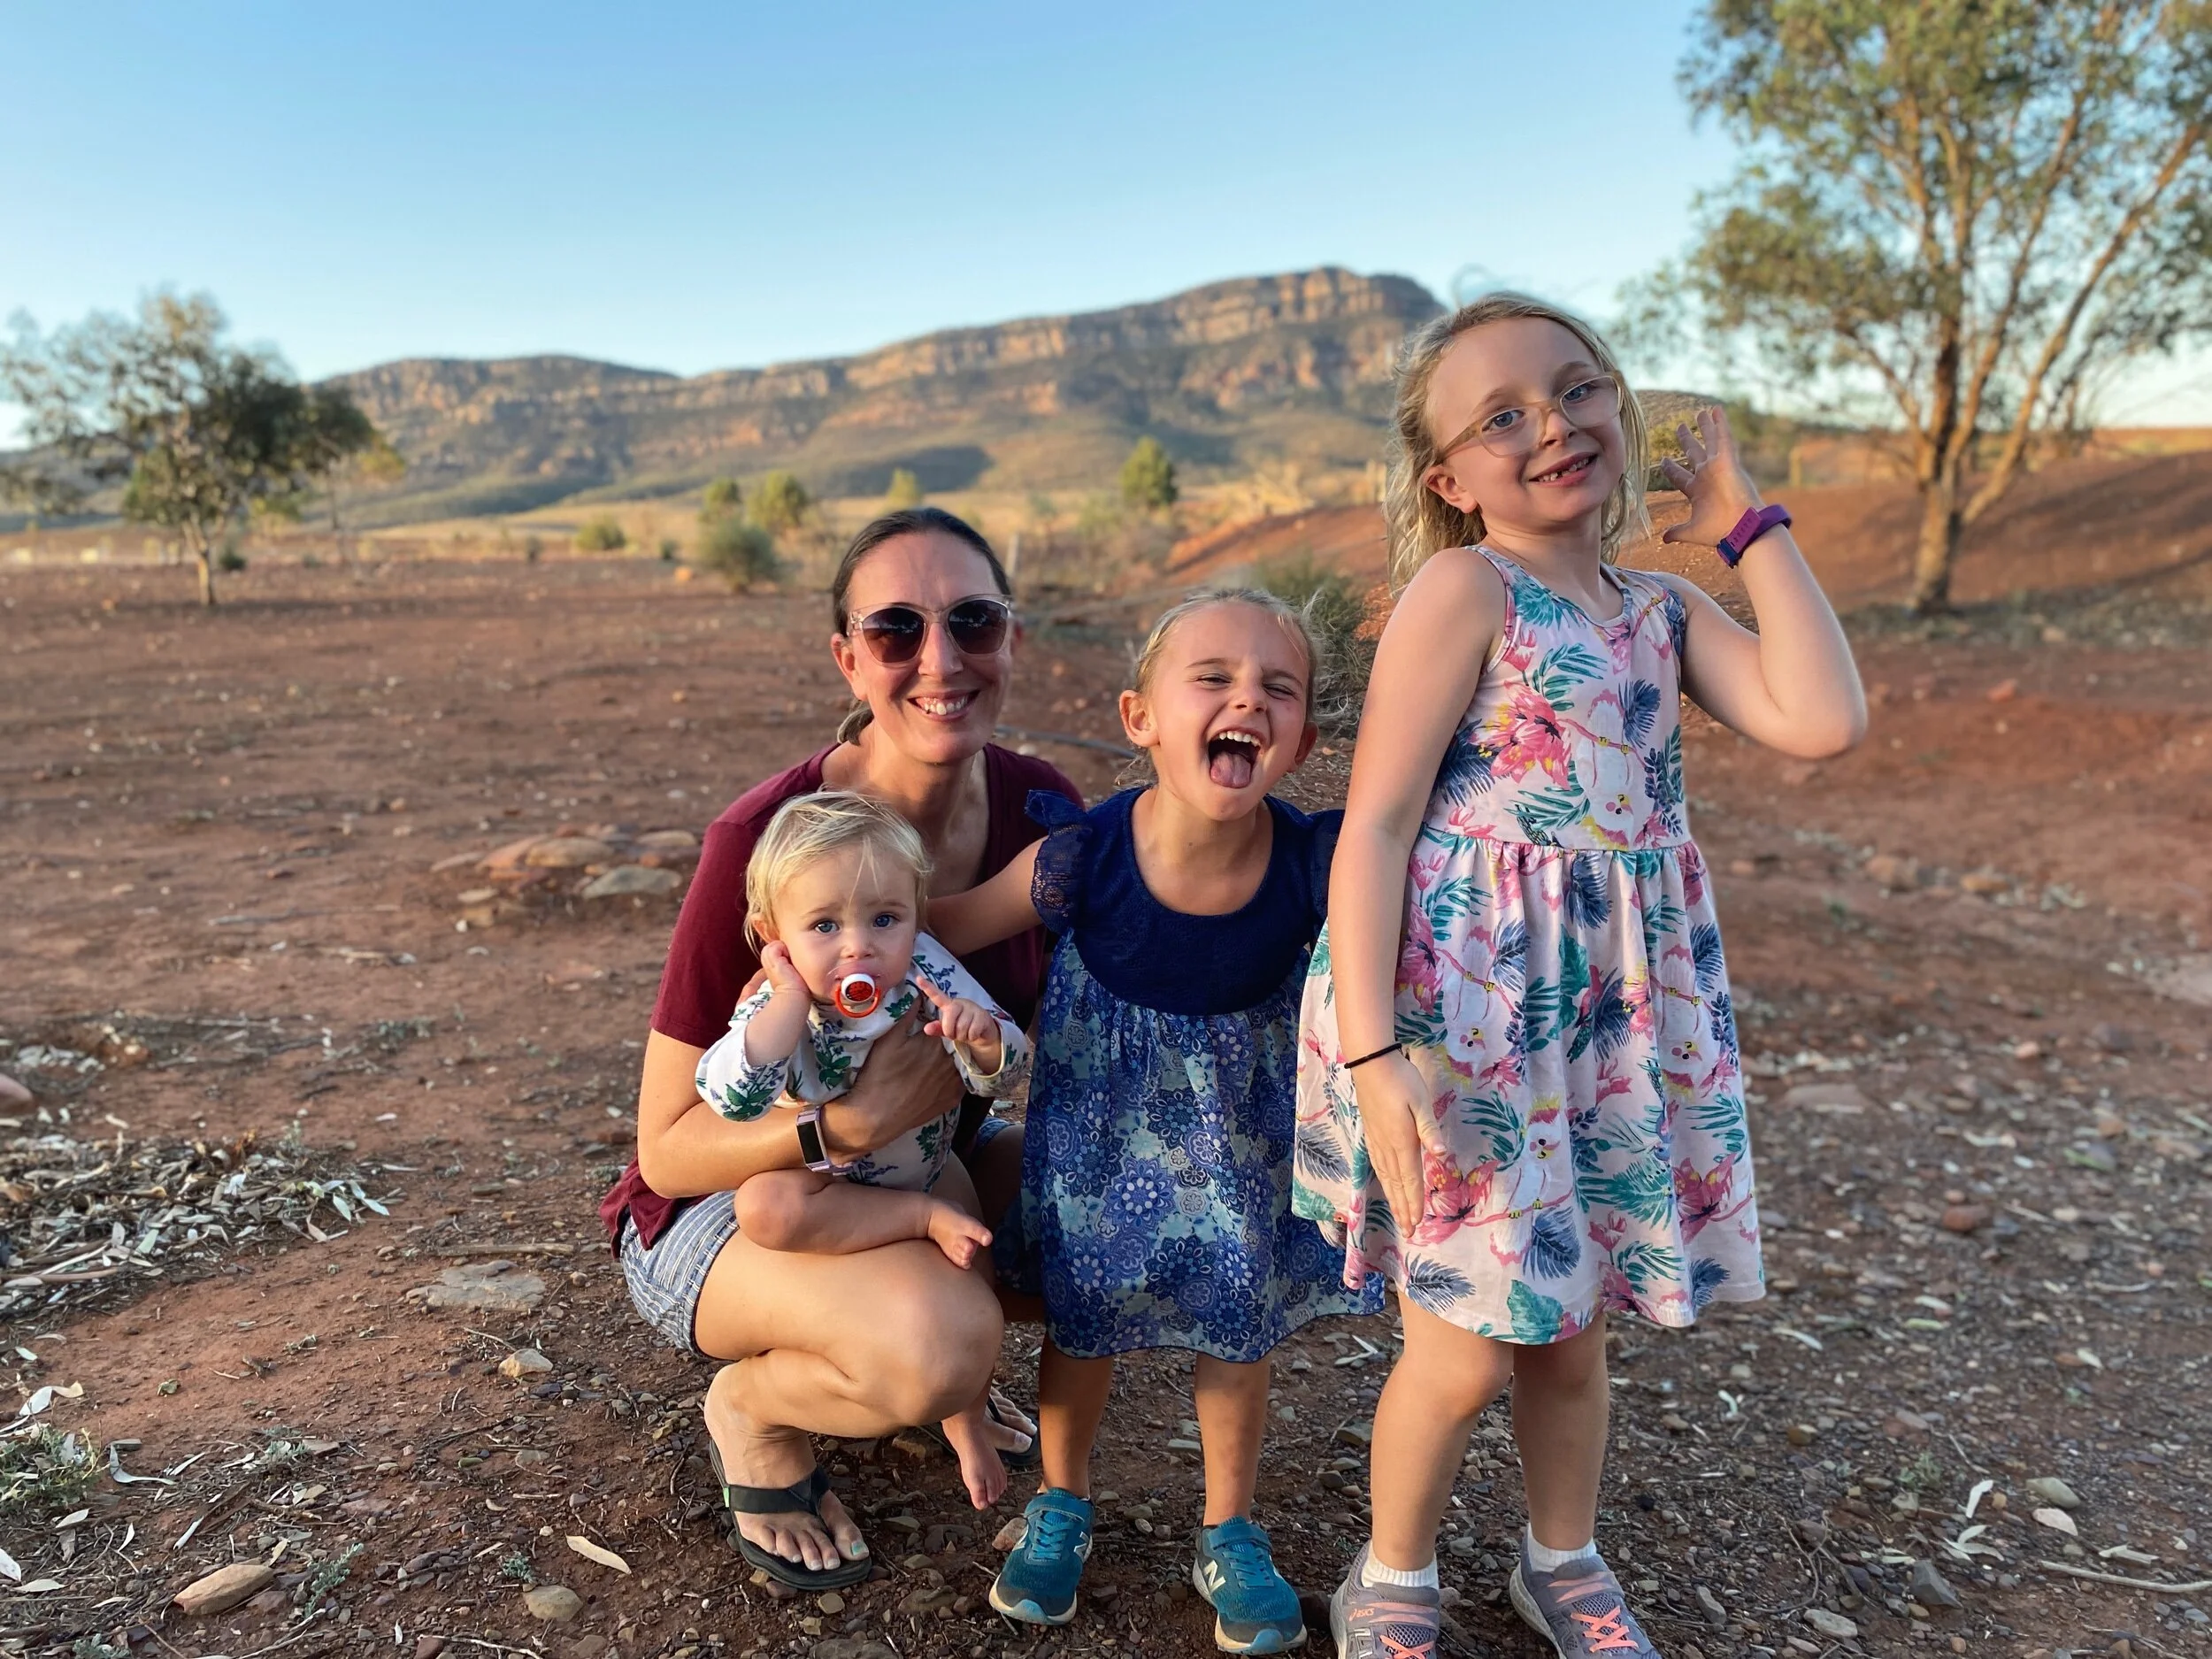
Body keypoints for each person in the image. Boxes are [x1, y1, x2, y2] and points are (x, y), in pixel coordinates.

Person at [1296, 294, 1866, 1658]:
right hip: (1467, 1015)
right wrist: (1376, 1055)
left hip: (1610, 1016)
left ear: (1619, 401)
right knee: (1465, 1339)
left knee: (1573, 1324)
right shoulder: (1465, 589)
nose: (1552, 426)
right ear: (1448, 478)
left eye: (1576, 389)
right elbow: (1373, 825)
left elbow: (1824, 716)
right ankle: (1391, 1574)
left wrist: (1744, 514)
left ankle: (1563, 1556)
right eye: (1501, 418)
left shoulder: (1664, 610)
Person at [599, 506, 1079, 1591]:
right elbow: (669, 1153)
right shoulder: (765, 843)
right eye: (898, 628)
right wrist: (845, 1123)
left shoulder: (1041, 806)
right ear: (847, 657)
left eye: (974, 620)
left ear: (1013, 637)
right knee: (945, 1344)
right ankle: (757, 1408)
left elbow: (1055, 1036)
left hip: (911, 1160)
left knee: (1100, 1219)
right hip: (733, 1201)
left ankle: (899, 1334)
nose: (941, 660)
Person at [931, 589, 1382, 1655]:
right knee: (1083, 1326)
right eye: (1214, 679)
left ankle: (1228, 1527)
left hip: (1244, 1154)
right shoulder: (1080, 860)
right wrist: (847, 945)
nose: (1247, 701)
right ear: (1139, 717)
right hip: (1097, 1156)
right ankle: (1062, 1502)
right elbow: (943, 928)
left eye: (1278, 689)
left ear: (1304, 740)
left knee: (1238, 1331)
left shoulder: (1319, 866)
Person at [694, 789, 1031, 1510]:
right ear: (772, 934)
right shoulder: (780, 1004)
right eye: (824, 924)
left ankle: (966, 1416)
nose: (858, 946)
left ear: (917, 914)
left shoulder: (925, 971)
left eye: (885, 918)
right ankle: (909, 1229)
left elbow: (1004, 1064)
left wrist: (982, 1037)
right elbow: (732, 1098)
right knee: (764, 1202)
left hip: (929, 1168)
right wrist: (783, 1002)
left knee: (979, 1262)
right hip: (831, 1185)